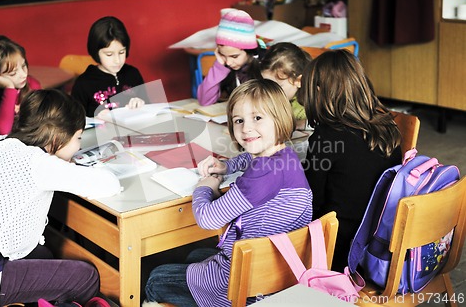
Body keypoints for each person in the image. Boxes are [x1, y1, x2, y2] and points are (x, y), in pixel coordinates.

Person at [144, 79, 313, 307]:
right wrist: (228, 166)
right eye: (239, 120)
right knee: (195, 256)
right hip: (280, 273)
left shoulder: (261, 176)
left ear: (280, 118)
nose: (246, 128)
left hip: (245, 290)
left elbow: (207, 218)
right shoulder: (286, 156)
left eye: (257, 118)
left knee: (155, 279)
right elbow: (253, 156)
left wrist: (205, 186)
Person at [0, 89, 122, 306]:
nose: (79, 146)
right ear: (58, 137)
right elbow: (110, 184)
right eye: (78, 138)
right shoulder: (39, 164)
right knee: (85, 276)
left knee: (46, 254)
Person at [301, 50, 402, 272]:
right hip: (379, 238)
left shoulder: (326, 137)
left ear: (319, 91)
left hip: (338, 247)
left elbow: (309, 201)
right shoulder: (387, 125)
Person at [71, 16, 146, 117]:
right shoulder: (84, 83)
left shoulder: (133, 74)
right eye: (109, 54)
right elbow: (74, 122)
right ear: (96, 52)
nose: (117, 60)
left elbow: (148, 107)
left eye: (121, 52)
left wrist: (141, 103)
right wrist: (95, 117)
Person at [196, 9, 265, 106]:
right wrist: (218, 67)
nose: (228, 62)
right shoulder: (225, 67)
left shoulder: (264, 69)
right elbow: (204, 101)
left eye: (234, 56)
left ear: (249, 52)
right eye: (223, 55)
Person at [260, 42, 312, 131]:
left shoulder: (312, 101)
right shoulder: (275, 98)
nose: (269, 91)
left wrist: (300, 124)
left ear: (298, 81)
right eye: (266, 84)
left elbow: (328, 122)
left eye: (278, 86)